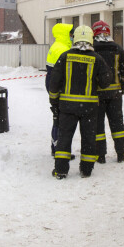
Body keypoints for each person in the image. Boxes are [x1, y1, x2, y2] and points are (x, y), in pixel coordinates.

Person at [48, 25, 112, 179]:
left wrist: (54, 102)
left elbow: (54, 83)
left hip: (67, 107)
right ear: (91, 39)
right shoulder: (97, 58)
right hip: (89, 108)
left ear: (74, 38)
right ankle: (86, 169)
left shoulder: (64, 56)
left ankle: (61, 171)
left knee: (64, 138)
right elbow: (106, 81)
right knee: (89, 138)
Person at [92, 20, 124, 163]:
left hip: (97, 94)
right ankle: (121, 153)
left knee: (98, 124)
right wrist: (123, 86)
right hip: (115, 94)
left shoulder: (92, 48)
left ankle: (100, 155)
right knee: (117, 123)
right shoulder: (118, 48)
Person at [45, 23, 74, 156]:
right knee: (62, 121)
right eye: (70, 33)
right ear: (64, 34)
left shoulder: (56, 46)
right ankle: (58, 149)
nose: (72, 36)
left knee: (57, 118)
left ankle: (55, 146)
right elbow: (64, 73)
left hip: (54, 87)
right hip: (60, 89)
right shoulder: (62, 49)